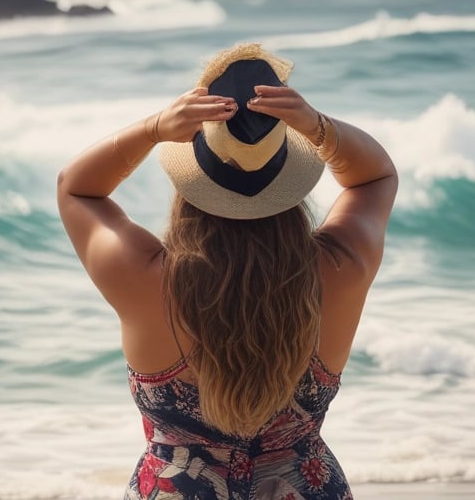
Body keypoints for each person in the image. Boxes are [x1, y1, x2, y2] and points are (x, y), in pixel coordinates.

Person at [57, 43, 397, 500]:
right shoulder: (341, 266)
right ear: (289, 182)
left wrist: (153, 129)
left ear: (191, 181)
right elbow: (375, 177)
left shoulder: (145, 278)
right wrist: (318, 128)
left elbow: (75, 189)